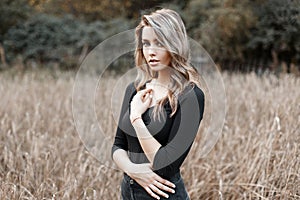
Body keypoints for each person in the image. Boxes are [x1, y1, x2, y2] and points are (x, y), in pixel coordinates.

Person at [111, 8, 205, 200]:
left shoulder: (191, 96)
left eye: (159, 43)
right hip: (128, 192)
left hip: (164, 195)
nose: (150, 52)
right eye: (146, 44)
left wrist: (137, 119)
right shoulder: (134, 89)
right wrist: (134, 171)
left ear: (174, 45)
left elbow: (166, 164)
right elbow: (118, 145)